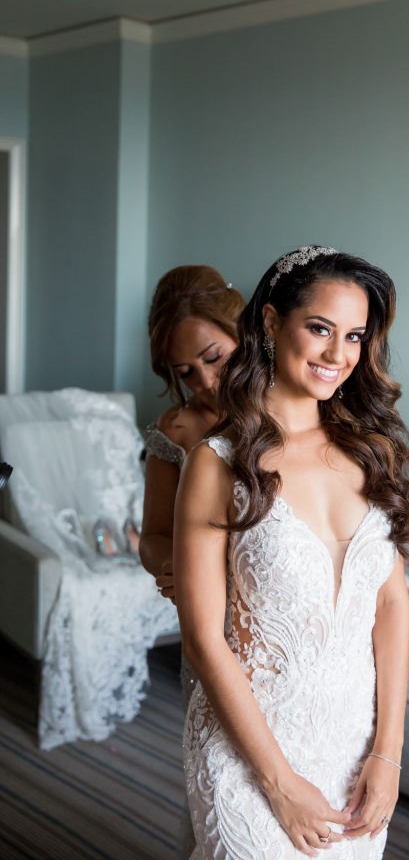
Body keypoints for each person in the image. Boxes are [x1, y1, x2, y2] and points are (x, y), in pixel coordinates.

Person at [174, 246, 409, 859]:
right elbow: (204, 640)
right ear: (268, 323)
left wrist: (388, 754)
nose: (338, 354)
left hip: (355, 749)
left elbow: (390, 602)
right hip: (249, 749)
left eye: (355, 336)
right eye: (319, 328)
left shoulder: (373, 451)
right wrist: (279, 784)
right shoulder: (218, 461)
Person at [140, 264, 245, 687]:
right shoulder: (176, 432)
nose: (205, 381)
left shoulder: (294, 409)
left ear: (244, 333)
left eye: (213, 358)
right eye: (185, 372)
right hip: (213, 624)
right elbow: (151, 537)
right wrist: (178, 567)